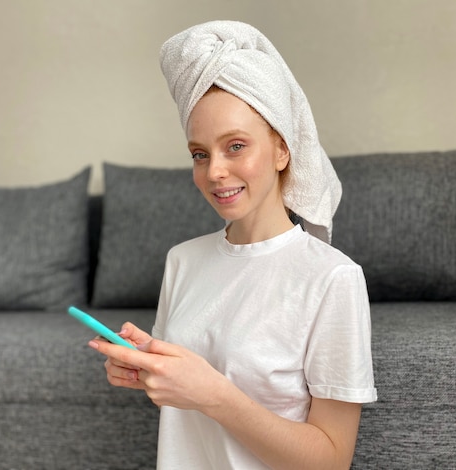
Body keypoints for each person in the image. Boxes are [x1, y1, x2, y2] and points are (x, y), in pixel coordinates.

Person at [89, 20, 377, 469]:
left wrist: (214, 394)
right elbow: (180, 408)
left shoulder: (332, 278)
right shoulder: (182, 260)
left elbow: (331, 460)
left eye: (236, 146)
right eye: (200, 153)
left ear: (282, 150)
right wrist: (152, 373)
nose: (214, 172)